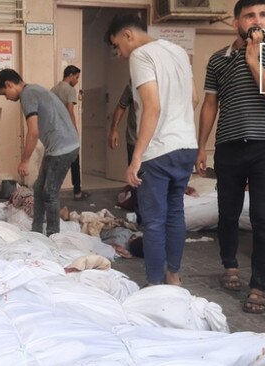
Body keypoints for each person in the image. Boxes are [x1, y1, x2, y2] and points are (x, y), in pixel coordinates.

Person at [196, 0, 265, 314]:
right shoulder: (217, 60)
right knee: (228, 211)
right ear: (236, 21)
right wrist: (201, 146)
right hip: (229, 145)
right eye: (250, 15)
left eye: (262, 14)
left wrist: (254, 60)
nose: (257, 20)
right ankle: (230, 266)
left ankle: (258, 285)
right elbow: (209, 105)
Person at [105, 13, 198, 286]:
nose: (120, 53)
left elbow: (152, 106)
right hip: (185, 146)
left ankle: (155, 285)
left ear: (128, 35)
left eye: (117, 45)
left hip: (158, 152)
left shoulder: (140, 55)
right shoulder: (178, 51)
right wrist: (176, 122)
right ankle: (174, 277)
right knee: (175, 213)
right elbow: (192, 98)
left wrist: (136, 157)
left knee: (155, 222)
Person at [0, 69, 80, 237]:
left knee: (50, 192)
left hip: (64, 148)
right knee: (38, 188)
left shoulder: (27, 95)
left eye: (5, 93)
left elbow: (33, 132)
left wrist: (24, 160)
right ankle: (36, 231)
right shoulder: (34, 90)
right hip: (56, 148)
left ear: (9, 84)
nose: (7, 98)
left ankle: (53, 236)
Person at [51, 65, 90, 201]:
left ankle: (52, 193)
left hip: (55, 131)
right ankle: (77, 192)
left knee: (55, 162)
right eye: (77, 77)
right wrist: (74, 131)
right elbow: (70, 112)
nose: (77, 80)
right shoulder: (70, 90)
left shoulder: (54, 89)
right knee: (74, 161)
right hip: (67, 131)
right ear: (71, 75)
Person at [108, 83, 139, 214]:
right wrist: (113, 129)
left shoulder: (164, 78)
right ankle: (139, 215)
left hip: (157, 143)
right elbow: (121, 106)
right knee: (136, 182)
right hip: (134, 140)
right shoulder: (134, 82)